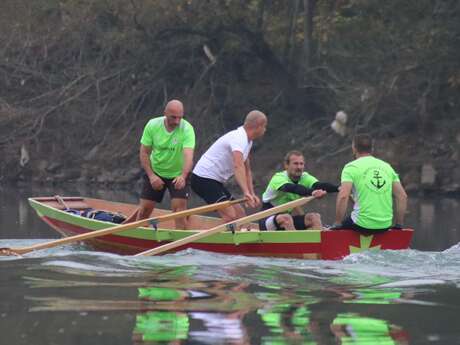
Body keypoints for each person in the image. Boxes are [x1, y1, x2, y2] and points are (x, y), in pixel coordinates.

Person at [191, 110, 267, 222]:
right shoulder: (238, 138)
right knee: (230, 216)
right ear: (258, 126)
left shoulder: (248, 142)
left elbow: (247, 170)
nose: (265, 130)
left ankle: (238, 238)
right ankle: (216, 239)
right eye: (264, 126)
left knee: (240, 215)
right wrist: (245, 192)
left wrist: (251, 193)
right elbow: (238, 166)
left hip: (215, 181)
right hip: (202, 178)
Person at [135, 99, 195, 229]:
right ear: (165, 113)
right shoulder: (152, 125)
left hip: (178, 174)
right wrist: (151, 176)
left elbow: (188, 156)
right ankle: (140, 235)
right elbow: (144, 153)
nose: (177, 121)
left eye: (180, 117)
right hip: (156, 171)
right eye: (173, 117)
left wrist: (183, 176)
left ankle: (181, 245)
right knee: (144, 210)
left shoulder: (187, 129)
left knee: (179, 212)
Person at [332, 134, 408, 233]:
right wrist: (398, 225)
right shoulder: (387, 167)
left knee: (338, 226)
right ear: (372, 149)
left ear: (354, 149)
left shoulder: (351, 167)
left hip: (361, 224)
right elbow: (402, 196)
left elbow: (343, 196)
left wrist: (337, 223)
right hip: (385, 225)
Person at [259, 150, 338, 231]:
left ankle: (320, 243)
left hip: (285, 219)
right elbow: (292, 188)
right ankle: (296, 243)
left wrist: (339, 188)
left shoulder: (305, 177)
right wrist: (312, 192)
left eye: (301, 164)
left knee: (314, 217)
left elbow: (319, 185)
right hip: (267, 219)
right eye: (295, 164)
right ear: (286, 165)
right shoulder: (278, 178)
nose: (299, 167)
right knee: (286, 218)